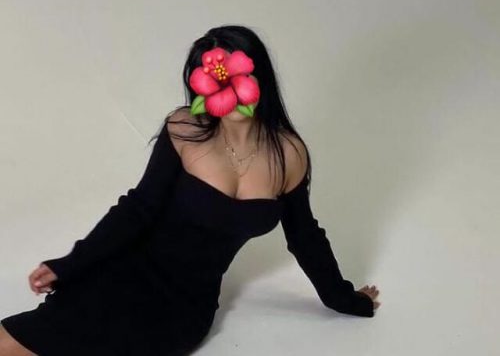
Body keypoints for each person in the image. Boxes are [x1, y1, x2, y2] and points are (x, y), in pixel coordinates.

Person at [0, 25, 381, 356]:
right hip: (121, 273)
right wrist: (70, 265)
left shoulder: (289, 155)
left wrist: (345, 300)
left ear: (259, 76)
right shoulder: (184, 130)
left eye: (235, 75)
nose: (228, 87)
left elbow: (305, 237)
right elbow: (137, 209)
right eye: (215, 77)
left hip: (184, 308)